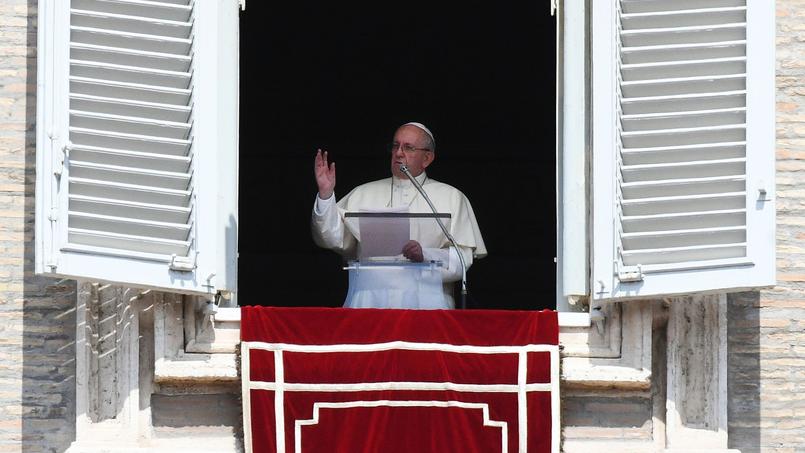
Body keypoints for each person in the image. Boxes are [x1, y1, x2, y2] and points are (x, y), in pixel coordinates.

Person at [311, 122, 487, 309]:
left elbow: (462, 258)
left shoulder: (452, 197)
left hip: (427, 303)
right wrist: (326, 194)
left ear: (427, 158)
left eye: (408, 147)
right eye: (395, 146)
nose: (399, 153)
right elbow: (330, 238)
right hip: (369, 302)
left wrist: (425, 255)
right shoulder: (363, 193)